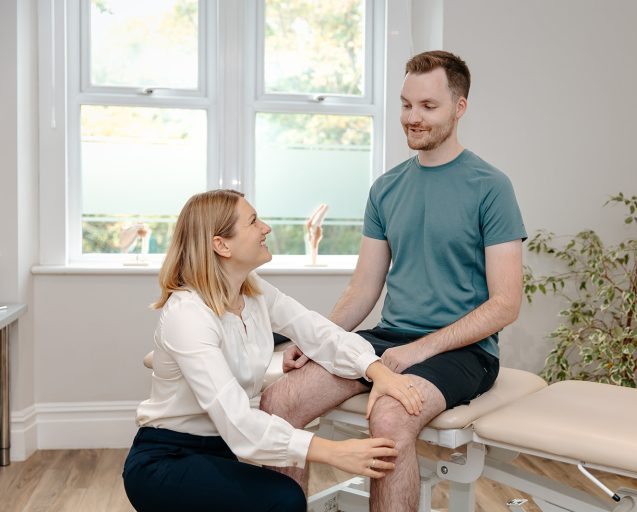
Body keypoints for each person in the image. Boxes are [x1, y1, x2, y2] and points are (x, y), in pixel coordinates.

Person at [261, 50, 527, 511]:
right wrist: (321, 336)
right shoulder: (385, 188)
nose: (412, 118)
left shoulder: (490, 186)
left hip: (464, 353)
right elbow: (364, 288)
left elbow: (505, 304)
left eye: (428, 106)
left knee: (390, 414)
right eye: (406, 105)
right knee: (279, 400)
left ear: (459, 107)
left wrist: (419, 350)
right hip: (388, 340)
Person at [122, 189, 426, 512]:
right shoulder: (188, 315)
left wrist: (376, 370)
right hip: (165, 459)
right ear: (221, 245)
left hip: (218, 452)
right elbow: (237, 421)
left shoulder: (252, 290)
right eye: (253, 221)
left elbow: (316, 331)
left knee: (281, 496)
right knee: (285, 499)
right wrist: (334, 452)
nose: (266, 228)